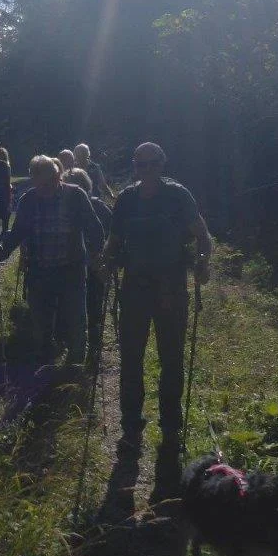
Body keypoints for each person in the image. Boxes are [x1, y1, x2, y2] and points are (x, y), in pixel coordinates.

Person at [100, 142, 212, 472]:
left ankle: (171, 427)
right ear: (135, 166)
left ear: (162, 164)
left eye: (152, 163)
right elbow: (114, 241)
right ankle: (131, 426)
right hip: (134, 288)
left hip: (170, 290)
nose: (146, 169)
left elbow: (203, 236)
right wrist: (105, 261)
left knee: (172, 359)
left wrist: (203, 264)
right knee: (131, 358)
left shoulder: (179, 196)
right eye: (140, 164)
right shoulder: (126, 199)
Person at [0, 156, 104, 369]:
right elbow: (18, 232)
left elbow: (94, 228)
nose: (47, 186)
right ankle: (44, 365)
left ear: (58, 175)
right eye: (41, 182)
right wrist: (2, 251)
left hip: (72, 269)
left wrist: (98, 255)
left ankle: (75, 366)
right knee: (41, 322)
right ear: (33, 179)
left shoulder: (75, 195)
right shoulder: (28, 200)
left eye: (51, 180)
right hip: (39, 270)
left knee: (76, 319)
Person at [64, 167, 112, 358]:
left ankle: (90, 342)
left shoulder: (98, 206)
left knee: (91, 302)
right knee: (84, 303)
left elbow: (111, 233)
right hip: (73, 264)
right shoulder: (97, 206)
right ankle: (83, 343)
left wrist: (102, 255)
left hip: (90, 264)